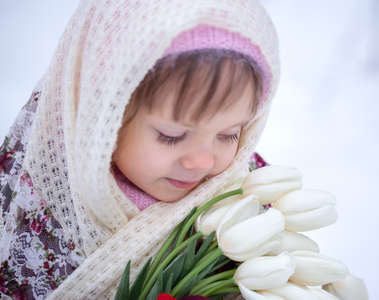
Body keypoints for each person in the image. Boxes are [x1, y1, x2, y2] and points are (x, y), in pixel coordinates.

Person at [0, 0, 279, 299]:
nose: (202, 161)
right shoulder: (44, 197)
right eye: (171, 135)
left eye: (228, 135)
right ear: (100, 116)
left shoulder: (246, 199)